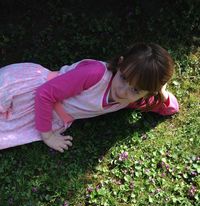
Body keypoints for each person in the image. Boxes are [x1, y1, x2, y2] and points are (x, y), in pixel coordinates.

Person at [0, 43, 179, 152]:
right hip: (30, 94)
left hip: (47, 111)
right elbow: (44, 94)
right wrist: (47, 136)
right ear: (120, 63)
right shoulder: (95, 74)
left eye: (136, 90)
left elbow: (171, 108)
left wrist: (161, 93)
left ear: (147, 93)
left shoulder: (131, 100)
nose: (123, 91)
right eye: (123, 78)